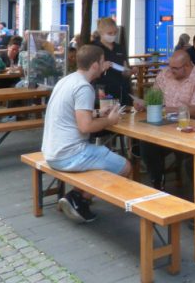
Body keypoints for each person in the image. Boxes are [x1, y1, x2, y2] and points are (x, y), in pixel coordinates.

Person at [41, 45, 131, 223]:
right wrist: (110, 120)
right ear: (96, 65)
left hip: (51, 149)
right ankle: (79, 199)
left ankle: (76, 195)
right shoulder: (84, 88)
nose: (105, 63)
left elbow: (74, 115)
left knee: (102, 159)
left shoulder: (67, 80)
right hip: (69, 154)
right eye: (102, 60)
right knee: (125, 166)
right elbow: (86, 126)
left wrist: (98, 114)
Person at [137, 50, 195, 189]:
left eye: (175, 68)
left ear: (187, 66)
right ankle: (158, 183)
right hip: (162, 126)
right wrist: (145, 103)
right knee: (145, 143)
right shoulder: (165, 74)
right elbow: (154, 97)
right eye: (170, 66)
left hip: (189, 129)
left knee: (152, 145)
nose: (170, 70)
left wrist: (164, 108)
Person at [92, 17, 132, 106]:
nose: (113, 35)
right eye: (109, 33)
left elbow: (126, 67)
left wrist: (128, 71)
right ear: (101, 32)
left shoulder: (119, 48)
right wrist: (101, 68)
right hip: (102, 89)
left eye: (115, 33)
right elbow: (88, 71)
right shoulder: (94, 48)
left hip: (121, 89)